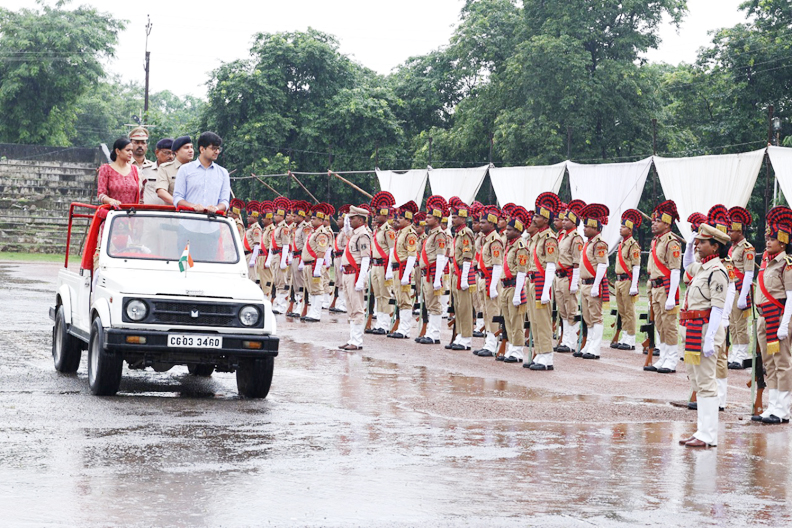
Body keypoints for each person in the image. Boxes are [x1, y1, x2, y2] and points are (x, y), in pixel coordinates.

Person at [678, 222, 730, 448]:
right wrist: (688, 249)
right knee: (697, 381)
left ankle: (709, 435)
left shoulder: (718, 272)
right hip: (693, 329)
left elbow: (718, 307)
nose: (698, 245)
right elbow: (688, 265)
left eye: (702, 242)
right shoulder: (703, 267)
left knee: (707, 382)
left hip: (705, 330)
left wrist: (710, 338)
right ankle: (701, 431)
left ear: (715, 247)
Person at [752, 206, 792, 425]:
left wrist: (784, 324)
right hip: (763, 318)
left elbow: (791, 297)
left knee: (782, 362)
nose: (768, 241)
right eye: (767, 237)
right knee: (769, 362)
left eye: (773, 238)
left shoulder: (786, 264)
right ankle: (773, 405)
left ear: (783, 242)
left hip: (778, 317)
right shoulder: (766, 261)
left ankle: (784, 409)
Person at [644, 200, 682, 374]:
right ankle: (664, 357)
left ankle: (672, 359)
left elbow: (675, 271)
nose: (654, 223)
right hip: (655, 287)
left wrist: (671, 295)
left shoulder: (671, 242)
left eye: (657, 221)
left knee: (669, 325)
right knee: (659, 324)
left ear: (667, 223)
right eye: (653, 221)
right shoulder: (656, 241)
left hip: (666, 287)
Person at [525, 193, 560, 368]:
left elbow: (551, 265)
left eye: (537, 216)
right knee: (535, 319)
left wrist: (546, 290)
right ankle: (539, 352)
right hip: (532, 282)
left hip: (541, 282)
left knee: (543, 319)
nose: (534, 218)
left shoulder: (549, 238)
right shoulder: (536, 238)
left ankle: (547, 356)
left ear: (546, 220)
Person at [575, 203, 610, 360]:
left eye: (588, 226)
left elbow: (603, 265)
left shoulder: (599, 243)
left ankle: (595, 348)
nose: (584, 229)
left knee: (596, 316)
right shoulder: (588, 243)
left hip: (593, 284)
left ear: (596, 228)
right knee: (587, 317)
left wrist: (596, 285)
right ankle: (588, 344)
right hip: (585, 284)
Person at [498, 206, 530, 363]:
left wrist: (518, 293)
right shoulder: (509, 244)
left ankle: (517, 350)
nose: (506, 232)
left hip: (514, 287)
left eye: (509, 230)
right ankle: (511, 346)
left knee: (516, 320)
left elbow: (522, 271)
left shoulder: (520, 247)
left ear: (518, 231)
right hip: (505, 286)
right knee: (508, 320)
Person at [416, 196, 450, 345]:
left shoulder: (440, 235)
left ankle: (435, 334)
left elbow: (441, 257)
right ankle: (430, 331)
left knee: (435, 304)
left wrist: (437, 279)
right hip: (426, 274)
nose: (426, 220)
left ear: (437, 220)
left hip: (433, 274)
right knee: (429, 303)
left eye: (429, 217)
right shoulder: (430, 235)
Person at [726, 206, 756, 370]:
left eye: (732, 230)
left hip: (740, 288)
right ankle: (735, 354)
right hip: (731, 288)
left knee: (741, 324)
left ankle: (742, 355)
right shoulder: (731, 248)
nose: (729, 233)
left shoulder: (747, 248)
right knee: (732, 323)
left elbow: (749, 274)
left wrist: (744, 295)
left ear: (739, 231)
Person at [339, 206, 372, 351]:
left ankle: (357, 341)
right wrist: (347, 221)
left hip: (355, 274)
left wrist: (361, 279)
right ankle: (352, 338)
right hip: (348, 274)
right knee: (351, 308)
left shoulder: (363, 235)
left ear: (361, 219)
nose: (350, 220)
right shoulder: (354, 233)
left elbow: (366, 259)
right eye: (349, 218)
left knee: (357, 308)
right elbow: (346, 230)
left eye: (353, 218)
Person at [554, 199, 585, 353]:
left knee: (571, 309)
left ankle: (571, 341)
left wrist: (574, 282)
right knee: (563, 311)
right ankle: (565, 339)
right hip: (559, 277)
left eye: (567, 219)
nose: (563, 221)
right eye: (564, 219)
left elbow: (576, 262)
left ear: (574, 222)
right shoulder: (564, 236)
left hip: (568, 277)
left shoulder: (575, 238)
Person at [474, 205, 505, 357]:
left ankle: (493, 343)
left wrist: (493, 286)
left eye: (484, 222)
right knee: (485, 311)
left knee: (492, 311)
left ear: (492, 224)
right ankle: (488, 341)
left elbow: (497, 264)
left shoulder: (495, 241)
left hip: (490, 279)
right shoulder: (486, 240)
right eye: (480, 222)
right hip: (483, 278)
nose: (480, 224)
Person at [446, 197, 476, 351]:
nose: (452, 219)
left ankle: (466, 338)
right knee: (457, 307)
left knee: (464, 307)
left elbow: (467, 256)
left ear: (463, 217)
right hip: (455, 273)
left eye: (455, 216)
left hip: (462, 272)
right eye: (451, 216)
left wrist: (464, 277)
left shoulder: (465, 233)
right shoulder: (457, 233)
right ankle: (460, 335)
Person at [611, 209, 643, 351]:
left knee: (629, 310)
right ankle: (624, 336)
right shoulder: (621, 244)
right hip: (619, 281)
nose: (620, 228)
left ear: (630, 229)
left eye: (623, 227)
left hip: (627, 280)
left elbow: (636, 266)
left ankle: (630, 338)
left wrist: (634, 285)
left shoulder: (633, 245)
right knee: (622, 310)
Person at [387, 202, 420, 339]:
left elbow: (412, 256)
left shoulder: (410, 234)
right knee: (400, 299)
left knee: (405, 300)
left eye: (400, 218)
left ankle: (405, 329)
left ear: (408, 219)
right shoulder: (400, 232)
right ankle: (401, 327)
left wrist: (406, 274)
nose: (397, 220)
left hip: (403, 269)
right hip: (396, 269)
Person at [368, 192, 397, 335]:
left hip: (384, 266)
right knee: (378, 295)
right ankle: (379, 322)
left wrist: (389, 271)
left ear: (385, 215)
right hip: (375, 266)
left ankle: (385, 324)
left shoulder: (388, 231)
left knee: (385, 295)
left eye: (378, 214)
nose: (375, 216)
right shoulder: (377, 230)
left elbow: (392, 250)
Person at [301, 203, 333, 322]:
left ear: (320, 219)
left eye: (314, 218)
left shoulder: (321, 234)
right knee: (311, 289)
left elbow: (321, 252)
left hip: (315, 264)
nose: (311, 220)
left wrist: (317, 268)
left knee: (317, 289)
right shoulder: (313, 232)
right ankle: (312, 310)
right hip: (308, 264)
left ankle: (316, 313)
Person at [97, 137, 140, 205]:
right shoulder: (106, 169)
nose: (131, 153)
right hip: (114, 212)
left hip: (131, 212)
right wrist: (110, 201)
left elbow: (140, 194)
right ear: (117, 151)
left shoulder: (135, 169)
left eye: (132, 150)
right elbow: (101, 194)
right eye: (128, 150)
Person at [268, 198, 292, 314]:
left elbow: (286, 245)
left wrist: (283, 261)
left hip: (280, 254)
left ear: (282, 216)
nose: (274, 216)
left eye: (277, 215)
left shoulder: (284, 228)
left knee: (281, 281)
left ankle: (281, 305)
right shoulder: (277, 227)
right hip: (275, 254)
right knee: (276, 280)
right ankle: (277, 302)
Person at [156, 136, 194, 205]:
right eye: (186, 148)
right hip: (174, 213)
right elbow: (161, 192)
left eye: (191, 147)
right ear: (176, 152)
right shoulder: (165, 168)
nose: (191, 150)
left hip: (196, 213)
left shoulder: (197, 169)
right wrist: (181, 204)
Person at [140, 138, 173, 205]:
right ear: (157, 152)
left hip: (171, 213)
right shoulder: (145, 170)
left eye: (174, 153)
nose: (171, 157)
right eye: (167, 153)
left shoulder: (178, 172)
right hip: (149, 212)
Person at [257, 200, 276, 298]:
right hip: (261, 256)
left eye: (264, 218)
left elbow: (271, 247)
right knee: (262, 279)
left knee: (267, 279)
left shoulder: (271, 230)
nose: (262, 220)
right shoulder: (265, 230)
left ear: (269, 219)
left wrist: (268, 260)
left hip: (266, 256)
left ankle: (268, 296)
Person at [244, 201, 262, 284]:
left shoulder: (256, 229)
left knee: (252, 277)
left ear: (255, 218)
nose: (247, 218)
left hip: (251, 254)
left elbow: (257, 245)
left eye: (249, 216)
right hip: (246, 255)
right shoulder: (250, 228)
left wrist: (253, 258)